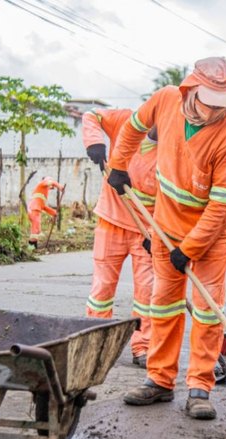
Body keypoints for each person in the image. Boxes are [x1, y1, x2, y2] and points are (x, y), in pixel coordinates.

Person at [107, 57, 226, 420]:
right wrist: (118, 164)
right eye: (208, 102)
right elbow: (133, 128)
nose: (216, 112)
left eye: (223, 105)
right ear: (190, 91)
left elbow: (223, 206)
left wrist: (191, 248)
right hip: (166, 226)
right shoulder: (167, 100)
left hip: (210, 237)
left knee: (206, 311)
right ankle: (159, 381)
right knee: (163, 306)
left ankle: (200, 388)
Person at [82, 108, 158, 368]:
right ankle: (98, 343)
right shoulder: (126, 119)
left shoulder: (174, 148)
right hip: (110, 221)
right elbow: (91, 115)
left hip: (145, 230)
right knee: (102, 289)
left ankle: (143, 346)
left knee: (146, 294)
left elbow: (173, 199)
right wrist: (95, 142)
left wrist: (158, 234)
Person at [26, 176, 64, 248]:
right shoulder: (42, 184)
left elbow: (43, 207)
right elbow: (52, 182)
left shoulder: (42, 192)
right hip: (34, 209)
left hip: (36, 209)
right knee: (35, 228)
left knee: (37, 230)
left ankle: (33, 248)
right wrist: (60, 187)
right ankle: (31, 248)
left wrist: (53, 212)